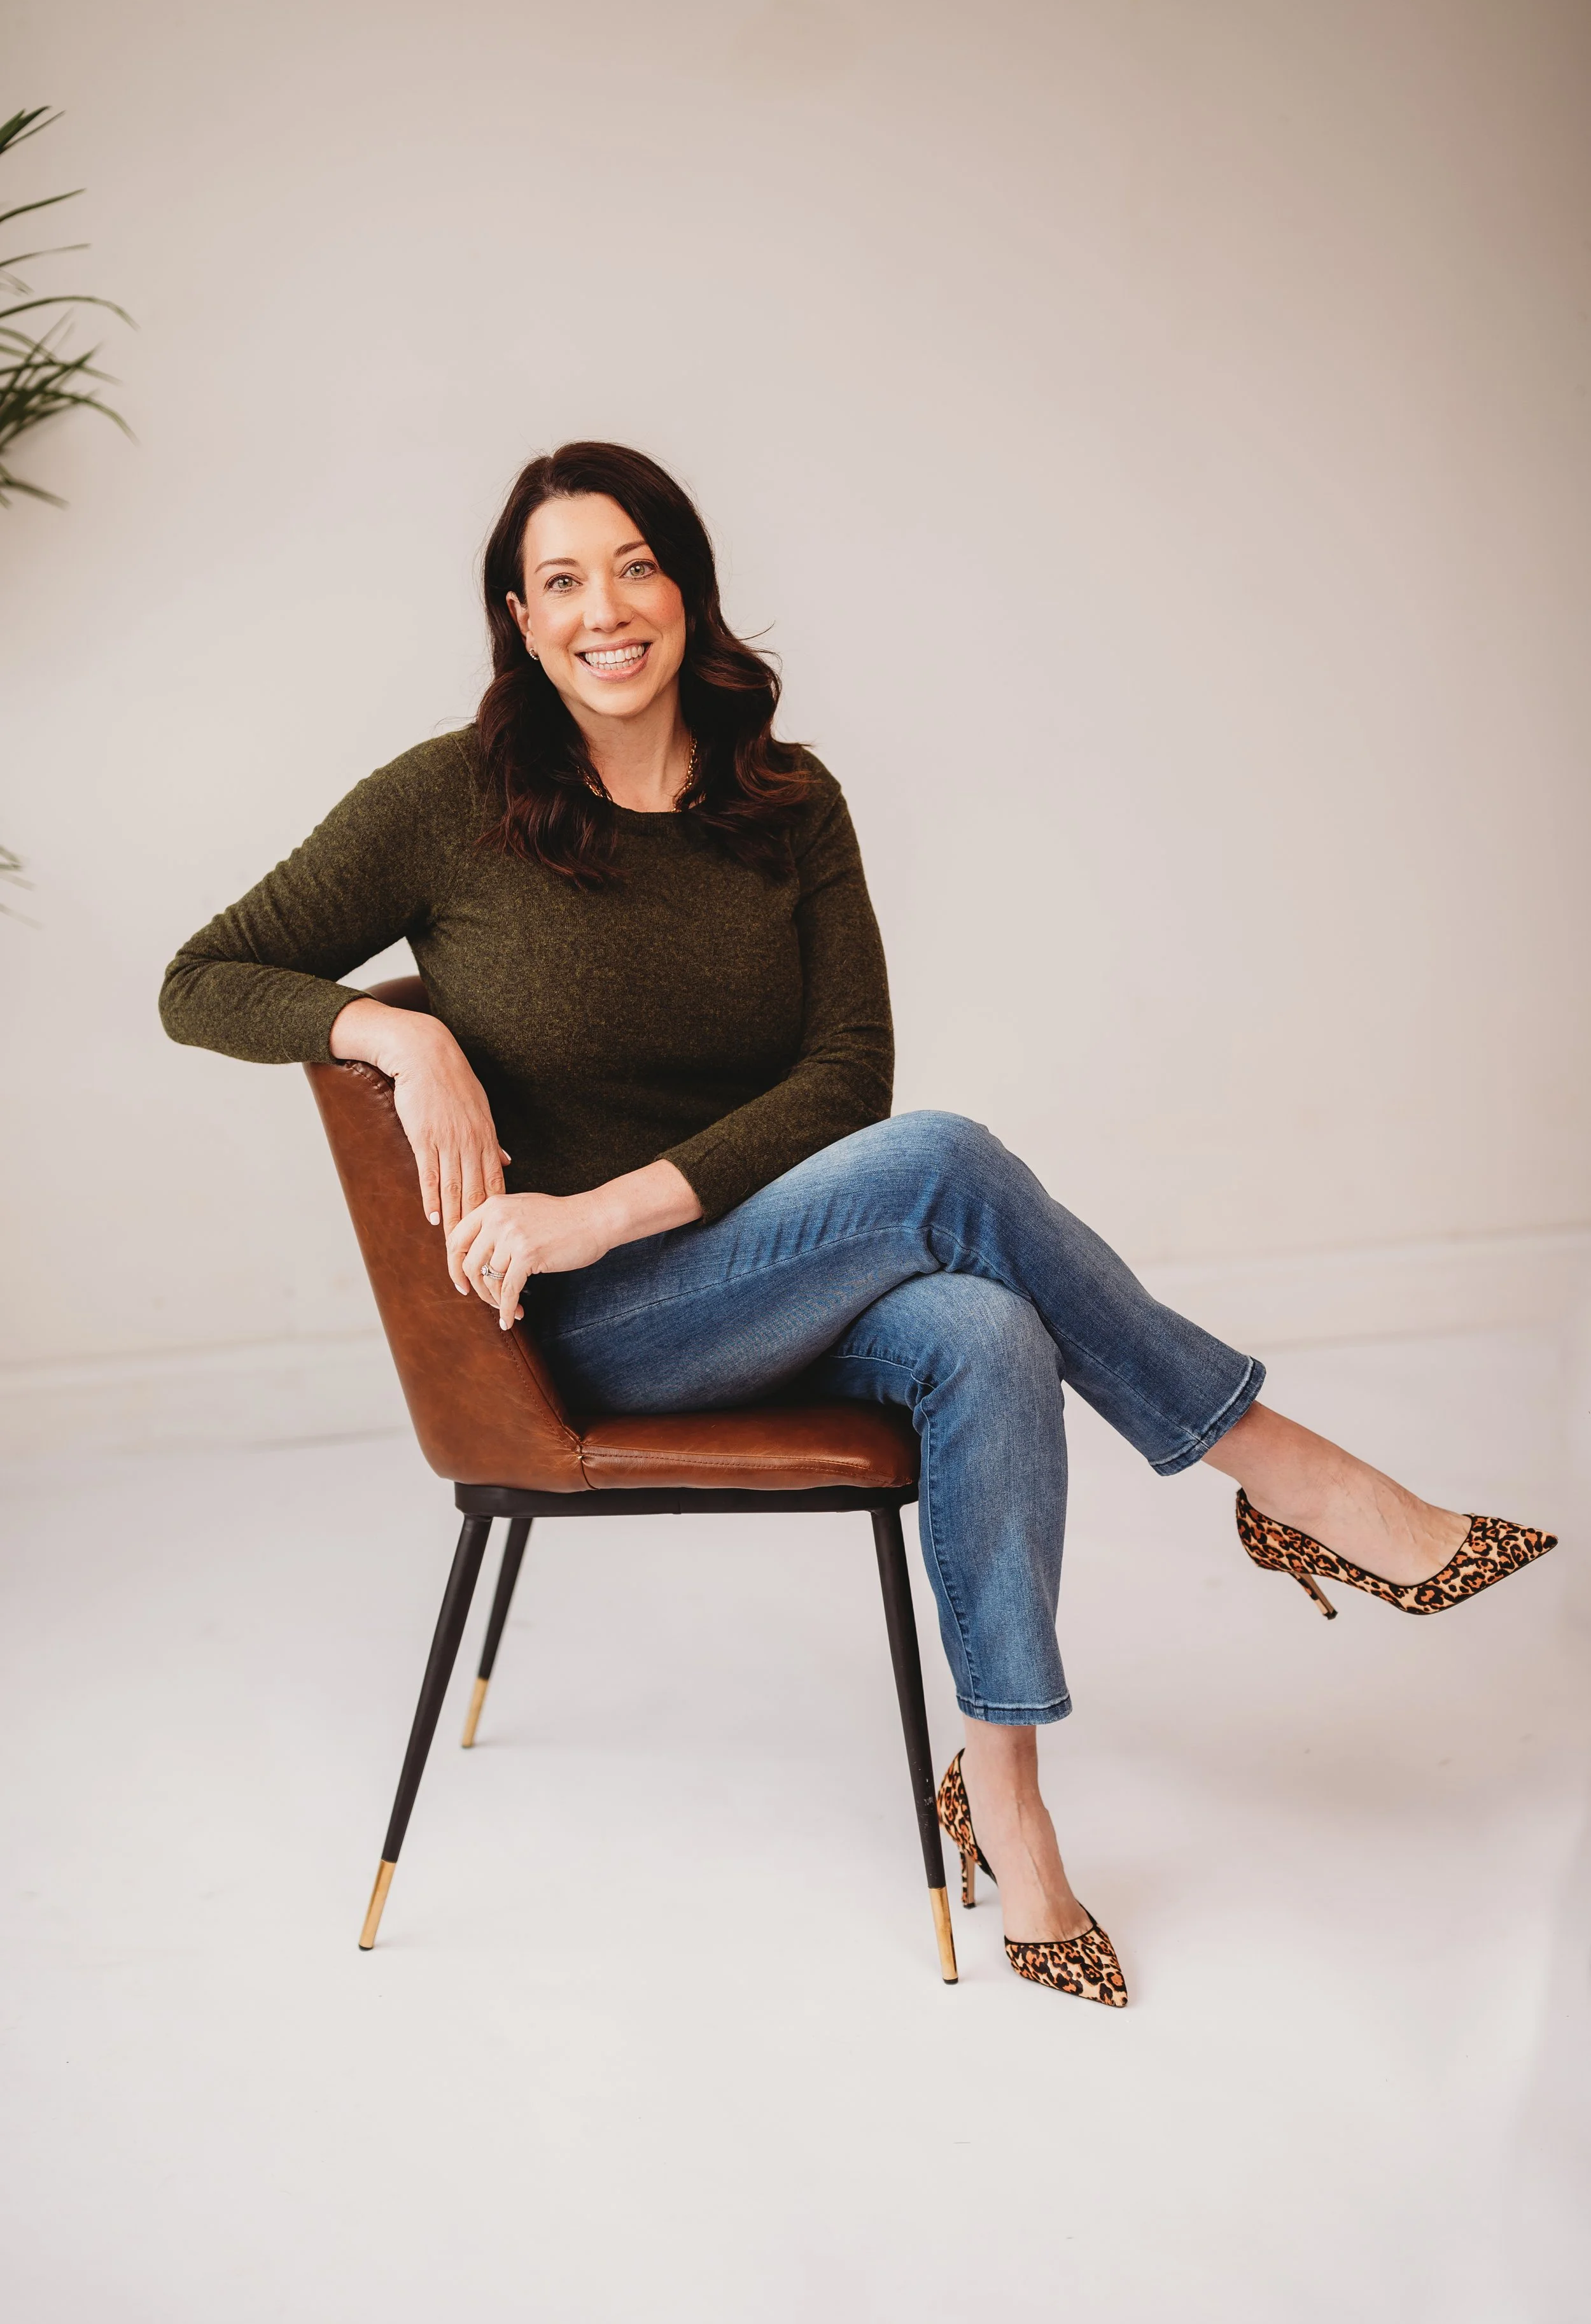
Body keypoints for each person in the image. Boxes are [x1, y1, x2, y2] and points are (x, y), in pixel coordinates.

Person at [160, 441, 1557, 2006]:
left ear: (686, 587)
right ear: (519, 618)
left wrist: (610, 1205)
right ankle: (1284, 1471)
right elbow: (200, 979)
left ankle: (1004, 1799)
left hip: (768, 1273)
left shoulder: (784, 802)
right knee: (944, 1159)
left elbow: (845, 1077)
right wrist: (395, 1034)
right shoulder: (448, 802)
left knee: (985, 1323)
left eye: (634, 567)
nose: (604, 610)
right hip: (595, 1328)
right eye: (561, 581)